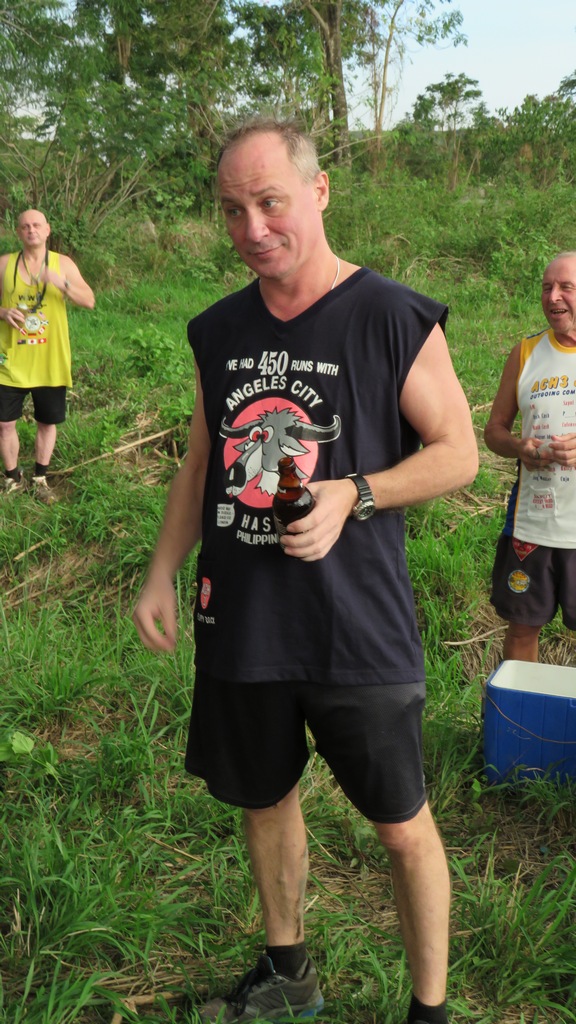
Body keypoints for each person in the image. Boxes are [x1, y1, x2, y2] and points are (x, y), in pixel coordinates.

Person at [133, 117, 478, 1024]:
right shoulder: (218, 330)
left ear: (320, 192)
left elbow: (459, 453)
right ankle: (289, 973)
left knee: (401, 827)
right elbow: (202, 462)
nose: (252, 228)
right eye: (233, 210)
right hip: (244, 616)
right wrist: (162, 570)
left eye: (270, 202)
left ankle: (430, 1010)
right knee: (265, 799)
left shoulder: (390, 316)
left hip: (356, 623)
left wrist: (355, 492)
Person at [484, 252, 576, 663]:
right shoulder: (525, 353)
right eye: (546, 287)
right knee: (521, 628)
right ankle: (520, 706)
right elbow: (494, 431)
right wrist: (519, 447)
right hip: (532, 525)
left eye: (566, 287)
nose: (553, 296)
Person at [0, 209, 95, 503]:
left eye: (36, 225)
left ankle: (40, 478)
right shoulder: (4, 264)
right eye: (25, 226)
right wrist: (2, 312)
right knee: (4, 423)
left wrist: (59, 282)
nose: (31, 230)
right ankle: (12, 478)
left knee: (46, 422)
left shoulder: (62, 264)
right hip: (10, 359)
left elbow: (89, 300)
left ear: (47, 230)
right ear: (18, 232)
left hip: (49, 360)